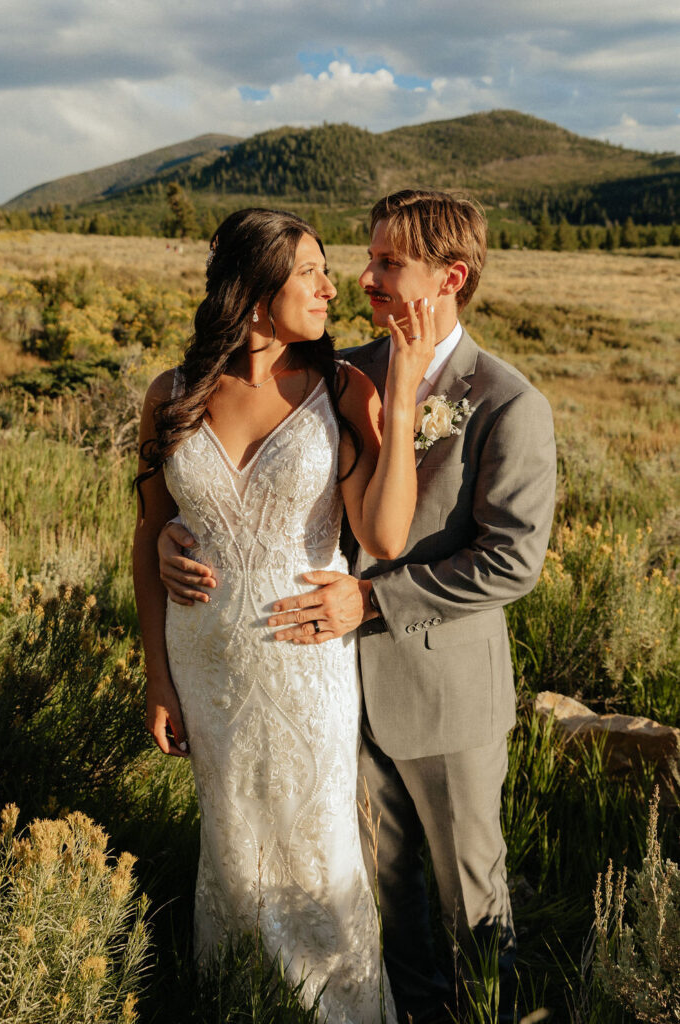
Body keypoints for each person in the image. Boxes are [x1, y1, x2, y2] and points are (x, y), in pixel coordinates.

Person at [160, 191, 557, 1023]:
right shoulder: (348, 371)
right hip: (325, 680)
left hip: (440, 691)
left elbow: (511, 561)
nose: (363, 278)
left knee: (472, 899)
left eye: (386, 264)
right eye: (364, 259)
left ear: (449, 277)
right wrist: (178, 539)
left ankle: (493, 1014)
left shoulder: (508, 401)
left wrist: (373, 600)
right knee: (377, 896)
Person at [133, 207, 437, 1023]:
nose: (331, 287)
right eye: (310, 272)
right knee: (231, 850)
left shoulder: (343, 389)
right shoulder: (170, 395)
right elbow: (147, 531)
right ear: (256, 287)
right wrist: (158, 678)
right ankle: (238, 1003)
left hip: (306, 665)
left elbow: (382, 533)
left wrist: (402, 398)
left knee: (318, 848)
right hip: (206, 668)